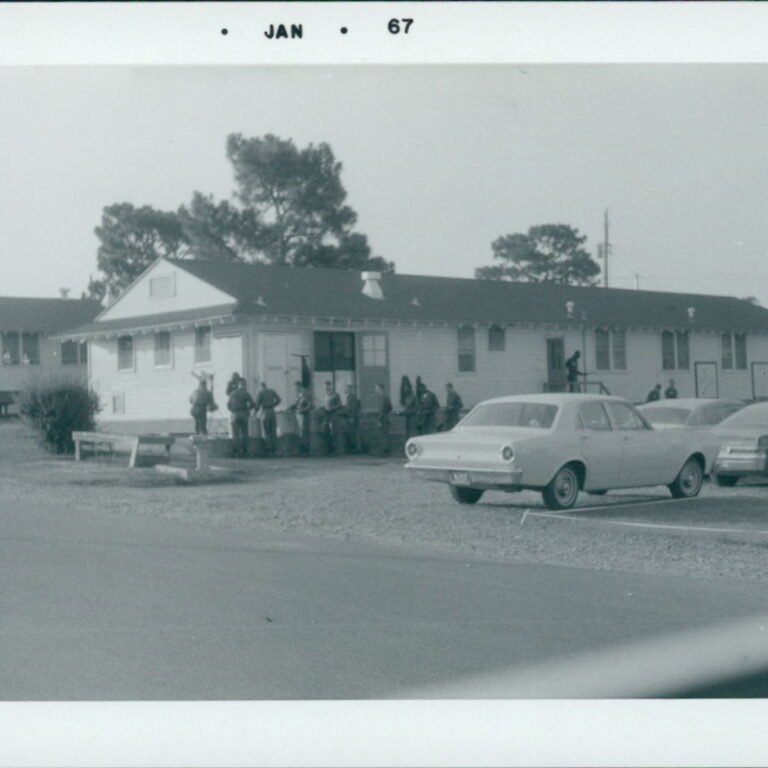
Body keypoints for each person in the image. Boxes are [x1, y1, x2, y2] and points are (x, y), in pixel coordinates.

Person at [227, 379, 255, 458]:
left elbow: (228, 405)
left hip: (234, 414)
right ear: (244, 385)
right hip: (243, 414)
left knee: (235, 435)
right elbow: (252, 404)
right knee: (245, 434)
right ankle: (245, 452)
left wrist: (233, 410)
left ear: (239, 385)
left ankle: (237, 453)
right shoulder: (245, 393)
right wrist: (248, 409)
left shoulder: (232, 394)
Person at [255, 382, 281, 456]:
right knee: (273, 430)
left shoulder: (260, 392)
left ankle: (269, 449)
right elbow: (279, 399)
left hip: (265, 411)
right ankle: (275, 449)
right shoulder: (271, 391)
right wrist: (273, 405)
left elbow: (257, 404)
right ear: (266, 386)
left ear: (261, 386)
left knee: (267, 430)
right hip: (272, 411)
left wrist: (255, 413)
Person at [291, 382, 312, 456]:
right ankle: (302, 449)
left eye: (296, 387)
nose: (295, 389)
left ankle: (306, 450)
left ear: (299, 386)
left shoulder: (305, 394)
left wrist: (302, 410)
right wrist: (291, 407)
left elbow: (309, 405)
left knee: (304, 432)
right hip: (299, 414)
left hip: (304, 415)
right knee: (300, 432)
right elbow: (296, 403)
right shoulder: (299, 395)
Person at [323, 380, 343, 454]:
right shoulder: (326, 395)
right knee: (326, 431)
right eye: (325, 386)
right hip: (327, 415)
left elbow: (340, 404)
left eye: (327, 386)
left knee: (334, 431)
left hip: (333, 415)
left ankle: (335, 449)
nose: (326, 387)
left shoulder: (335, 395)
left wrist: (331, 408)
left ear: (330, 386)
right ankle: (329, 448)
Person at [375, 383, 393, 455]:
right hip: (386, 417)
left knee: (383, 434)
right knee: (385, 434)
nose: (375, 390)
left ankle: (384, 450)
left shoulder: (381, 397)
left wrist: (379, 420)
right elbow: (390, 407)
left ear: (380, 388)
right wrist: (386, 413)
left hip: (382, 419)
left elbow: (381, 410)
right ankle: (386, 449)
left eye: (376, 388)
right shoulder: (386, 397)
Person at [344, 384, 362, 454]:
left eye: (346, 388)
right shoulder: (348, 397)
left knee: (353, 433)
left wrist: (352, 417)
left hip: (352, 417)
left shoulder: (353, 397)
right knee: (350, 432)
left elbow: (354, 408)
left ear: (349, 389)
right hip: (349, 417)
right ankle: (353, 448)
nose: (345, 390)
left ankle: (357, 449)